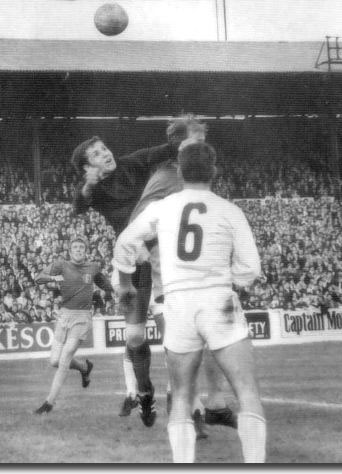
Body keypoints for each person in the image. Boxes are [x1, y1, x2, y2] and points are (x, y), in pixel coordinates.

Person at [71, 117, 232, 430]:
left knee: (176, 335)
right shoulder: (96, 190)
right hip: (131, 261)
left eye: (104, 148)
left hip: (160, 257)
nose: (106, 154)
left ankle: (189, 410)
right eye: (97, 154)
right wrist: (89, 183)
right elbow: (77, 206)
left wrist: (190, 138)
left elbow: (166, 148)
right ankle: (144, 393)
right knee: (134, 337)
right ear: (87, 166)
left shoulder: (133, 163)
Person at [112, 141, 265, 462]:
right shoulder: (229, 210)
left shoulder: (162, 208)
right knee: (247, 392)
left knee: (181, 396)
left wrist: (125, 282)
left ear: (179, 171)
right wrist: (231, 280)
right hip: (218, 300)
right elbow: (250, 268)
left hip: (177, 303)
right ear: (215, 171)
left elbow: (126, 241)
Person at [32, 237, 114, 414]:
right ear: (70, 251)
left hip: (82, 317)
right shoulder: (61, 265)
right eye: (75, 247)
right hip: (64, 315)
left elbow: (107, 285)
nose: (78, 250)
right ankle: (85, 368)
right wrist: (55, 277)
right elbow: (39, 278)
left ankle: (49, 403)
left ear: (85, 251)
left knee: (65, 356)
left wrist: (118, 289)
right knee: (54, 360)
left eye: (81, 247)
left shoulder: (92, 267)